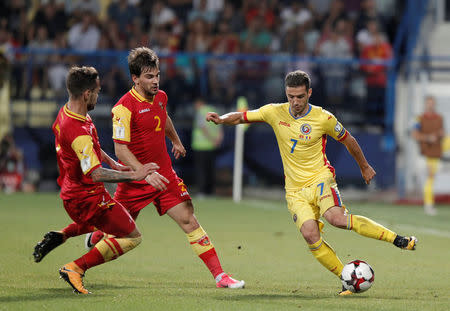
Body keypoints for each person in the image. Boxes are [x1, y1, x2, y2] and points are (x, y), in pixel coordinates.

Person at [206, 70, 417, 295]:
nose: (295, 102)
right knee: (310, 234)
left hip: (320, 179)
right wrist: (222, 119)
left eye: (300, 96)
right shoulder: (274, 112)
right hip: (295, 190)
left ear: (309, 93)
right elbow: (241, 116)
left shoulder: (323, 118)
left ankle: (397, 239)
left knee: (336, 218)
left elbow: (349, 140)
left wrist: (364, 166)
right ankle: (346, 279)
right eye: (290, 96)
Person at [86, 47, 244, 289]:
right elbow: (121, 150)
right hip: (135, 180)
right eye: (149, 77)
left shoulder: (160, 97)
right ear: (135, 79)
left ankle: (220, 276)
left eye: (157, 75)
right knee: (118, 232)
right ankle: (84, 256)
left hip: (165, 176)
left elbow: (164, 117)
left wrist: (176, 140)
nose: (155, 81)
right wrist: (144, 173)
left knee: (189, 219)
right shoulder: (123, 108)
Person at [32, 66, 158, 294]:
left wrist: (113, 162)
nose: (99, 96)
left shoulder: (69, 112)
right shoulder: (77, 130)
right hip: (85, 197)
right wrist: (133, 175)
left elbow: (91, 149)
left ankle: (61, 235)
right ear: (87, 94)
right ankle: (76, 268)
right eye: (98, 92)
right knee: (132, 236)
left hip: (77, 193)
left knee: (103, 225)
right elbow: (95, 173)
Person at [411, 95, 446, 215]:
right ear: (425, 104)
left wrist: (440, 135)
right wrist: (427, 138)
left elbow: (442, 133)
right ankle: (428, 204)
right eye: (428, 103)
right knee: (428, 180)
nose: (430, 105)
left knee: (431, 180)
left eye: (432, 103)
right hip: (424, 154)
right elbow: (414, 135)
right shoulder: (419, 118)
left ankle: (428, 204)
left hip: (435, 154)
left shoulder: (439, 118)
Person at [191, 97, 223, 197]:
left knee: (201, 170)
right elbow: (220, 126)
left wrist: (211, 139)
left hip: (201, 146)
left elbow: (203, 127)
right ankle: (210, 191)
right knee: (211, 170)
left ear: (199, 102)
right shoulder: (214, 110)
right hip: (212, 147)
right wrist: (218, 140)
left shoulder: (201, 112)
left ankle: (202, 192)